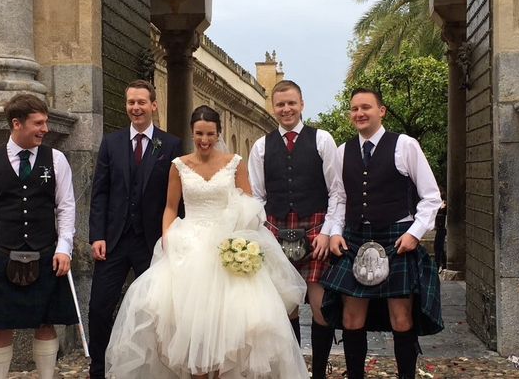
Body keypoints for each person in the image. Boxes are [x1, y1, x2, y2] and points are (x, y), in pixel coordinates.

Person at [106, 105, 309, 378]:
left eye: (210, 134)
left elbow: (249, 204)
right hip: (189, 245)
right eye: (199, 134)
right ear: (192, 133)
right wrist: (167, 238)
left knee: (230, 326)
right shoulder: (179, 166)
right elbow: (170, 207)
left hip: (226, 246)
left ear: (218, 133)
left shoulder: (235, 163)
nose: (204, 140)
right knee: (189, 326)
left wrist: (240, 240)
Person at [322, 88, 444, 379]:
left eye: (366, 107)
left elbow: (431, 196)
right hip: (353, 238)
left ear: (381, 111)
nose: (359, 114)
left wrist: (415, 233)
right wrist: (335, 232)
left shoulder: (405, 145)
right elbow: (339, 198)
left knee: (401, 318)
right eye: (354, 109)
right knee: (351, 318)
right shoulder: (342, 151)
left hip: (397, 237)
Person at [0, 94, 77, 379]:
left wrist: (64, 248)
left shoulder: (56, 159)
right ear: (17, 124)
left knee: (45, 322)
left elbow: (66, 207)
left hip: (45, 253)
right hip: (4, 254)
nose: (45, 129)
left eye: (46, 122)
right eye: (38, 123)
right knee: (1, 325)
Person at [87, 80, 182, 379]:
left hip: (151, 243)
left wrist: (175, 238)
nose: (136, 108)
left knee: (156, 311)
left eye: (141, 102)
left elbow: (177, 199)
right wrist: (97, 235)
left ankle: (153, 368)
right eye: (131, 102)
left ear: (154, 105)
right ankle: (99, 369)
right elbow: (99, 193)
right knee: (100, 308)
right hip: (114, 241)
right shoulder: (111, 143)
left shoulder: (171, 145)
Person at [248, 79, 342, 379]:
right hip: (276, 231)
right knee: (286, 309)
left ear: (302, 104)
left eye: (291, 103)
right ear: (273, 108)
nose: (286, 109)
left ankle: (318, 374)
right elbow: (256, 196)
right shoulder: (261, 146)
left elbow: (336, 192)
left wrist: (327, 232)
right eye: (280, 104)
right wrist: (263, 234)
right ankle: (294, 370)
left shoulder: (322, 140)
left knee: (319, 308)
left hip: (316, 230)